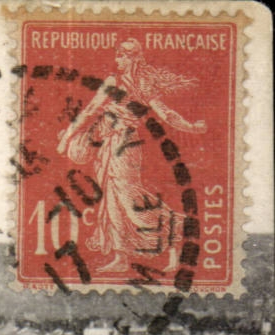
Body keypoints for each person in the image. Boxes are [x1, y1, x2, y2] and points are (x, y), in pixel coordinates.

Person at [56, 40, 207, 274]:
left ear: (135, 58)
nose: (119, 61)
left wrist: (191, 126)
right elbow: (89, 110)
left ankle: (178, 235)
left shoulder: (144, 84)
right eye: (117, 56)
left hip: (127, 145)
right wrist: (67, 137)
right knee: (112, 201)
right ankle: (121, 258)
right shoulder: (112, 82)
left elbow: (165, 113)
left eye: (124, 57)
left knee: (130, 199)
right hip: (107, 145)